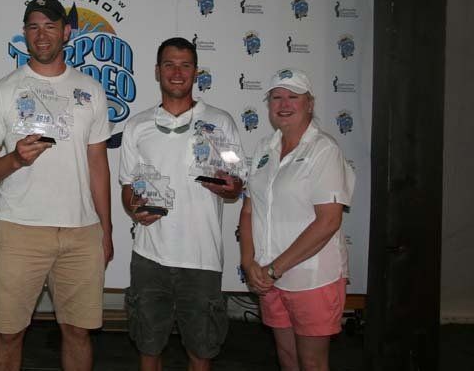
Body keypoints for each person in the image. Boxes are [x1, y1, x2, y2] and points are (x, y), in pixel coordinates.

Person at [0, 0, 113, 371]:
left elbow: (98, 164)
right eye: (33, 26)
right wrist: (15, 158)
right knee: (7, 333)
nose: (42, 34)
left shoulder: (92, 90)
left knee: (79, 332)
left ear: (67, 32)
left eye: (50, 25)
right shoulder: (2, 91)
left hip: (82, 232)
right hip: (21, 231)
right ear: (25, 34)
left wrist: (106, 228)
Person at [119, 37, 246, 371]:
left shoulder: (222, 122)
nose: (177, 72)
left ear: (196, 72)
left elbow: (235, 181)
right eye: (169, 65)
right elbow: (128, 188)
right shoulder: (137, 126)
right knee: (148, 348)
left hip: (201, 258)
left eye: (185, 65)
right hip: (149, 258)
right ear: (157, 71)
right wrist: (136, 208)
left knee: (201, 352)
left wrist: (230, 186)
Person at [239, 68, 354, 371]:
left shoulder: (324, 150)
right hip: (268, 277)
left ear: (309, 104)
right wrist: (248, 261)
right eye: (277, 97)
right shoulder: (266, 148)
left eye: (293, 97)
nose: (284, 104)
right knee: (287, 358)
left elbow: (328, 222)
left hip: (311, 278)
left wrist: (274, 269)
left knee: (312, 362)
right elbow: (250, 209)